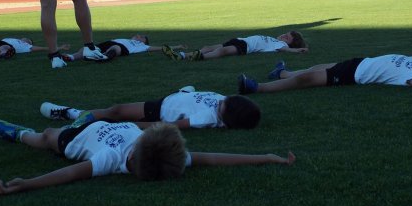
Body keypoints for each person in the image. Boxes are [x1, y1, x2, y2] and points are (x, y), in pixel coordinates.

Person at [0, 117, 295, 195]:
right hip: (105, 125)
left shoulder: (110, 159)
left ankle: (19, 134)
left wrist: (28, 183)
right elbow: (213, 157)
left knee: (47, 136)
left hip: (76, 138)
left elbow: (69, 173)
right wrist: (264, 156)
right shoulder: (165, 155)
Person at [238, 52, 412, 94]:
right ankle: (282, 73)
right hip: (359, 62)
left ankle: (257, 88)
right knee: (315, 68)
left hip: (354, 75)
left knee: (308, 78)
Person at [39, 85, 260, 129]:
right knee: (115, 112)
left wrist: (130, 126)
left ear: (227, 117)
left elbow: (173, 125)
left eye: (223, 105)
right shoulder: (226, 101)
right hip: (171, 99)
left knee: (115, 112)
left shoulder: (208, 118)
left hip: (159, 110)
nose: (220, 101)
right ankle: (184, 90)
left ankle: (71, 114)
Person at [162, 31, 308, 61]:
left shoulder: (280, 45)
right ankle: (180, 56)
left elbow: (285, 50)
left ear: (289, 42)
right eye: (285, 34)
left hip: (246, 47)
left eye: (287, 37)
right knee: (208, 46)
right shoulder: (275, 40)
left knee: (223, 51)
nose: (284, 36)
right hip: (240, 40)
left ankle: (201, 57)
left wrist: (297, 50)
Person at [62, 34, 186, 61]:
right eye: (138, 35)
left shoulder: (142, 46)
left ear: (144, 41)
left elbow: (160, 48)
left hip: (119, 47)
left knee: (116, 48)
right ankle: (71, 57)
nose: (139, 36)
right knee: (89, 47)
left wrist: (178, 46)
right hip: (108, 42)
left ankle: (104, 57)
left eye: (142, 37)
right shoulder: (127, 38)